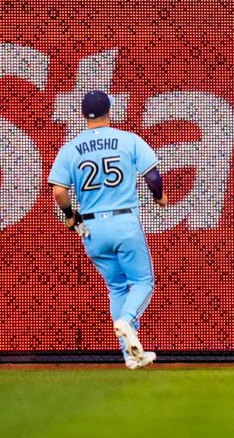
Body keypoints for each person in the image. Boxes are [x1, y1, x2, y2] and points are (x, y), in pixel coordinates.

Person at [48, 90, 168, 369]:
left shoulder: (70, 148)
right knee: (142, 282)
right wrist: (159, 196)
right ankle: (128, 321)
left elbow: (58, 191)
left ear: (82, 115)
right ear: (109, 111)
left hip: (91, 227)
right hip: (123, 220)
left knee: (116, 287)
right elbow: (152, 175)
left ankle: (130, 356)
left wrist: (69, 215)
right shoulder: (127, 140)